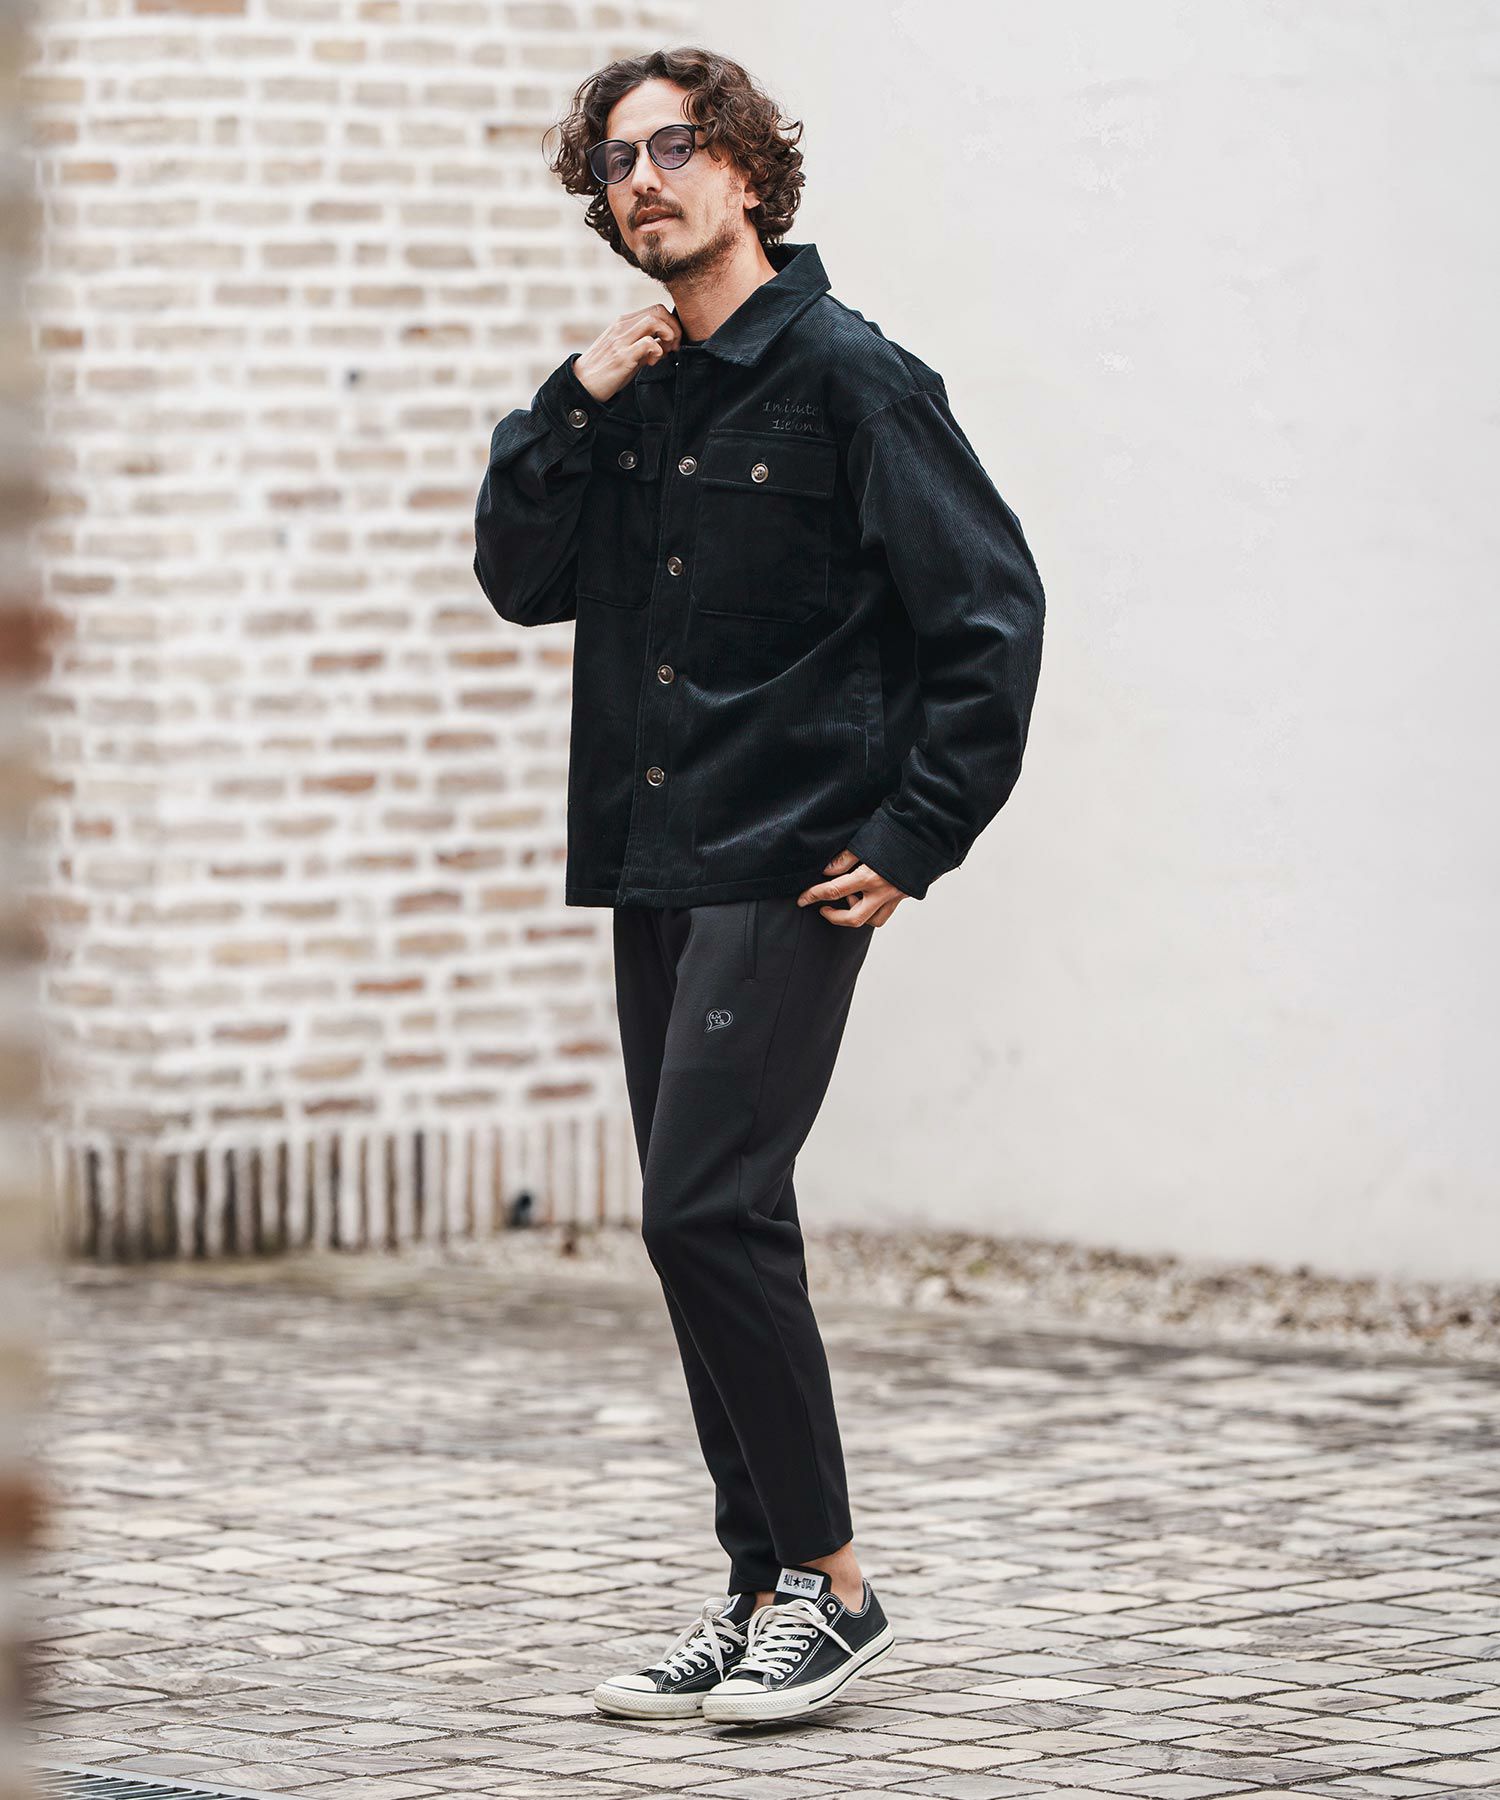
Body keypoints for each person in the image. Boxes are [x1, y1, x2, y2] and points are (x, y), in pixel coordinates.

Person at [473, 45, 1046, 1727]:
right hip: (658, 860)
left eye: (675, 146)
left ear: (745, 172)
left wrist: (917, 836)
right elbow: (520, 579)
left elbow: (990, 619)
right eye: (616, 161)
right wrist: (567, 401)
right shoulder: (633, 392)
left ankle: (837, 1588)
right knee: (720, 1223)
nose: (642, 179)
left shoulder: (858, 380)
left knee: (698, 1208)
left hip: (792, 866)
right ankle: (758, 1589)